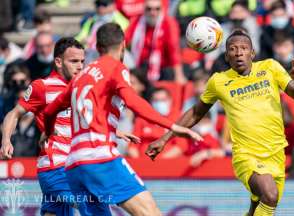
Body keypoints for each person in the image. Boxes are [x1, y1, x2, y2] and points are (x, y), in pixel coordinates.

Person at [41, 23, 202, 216]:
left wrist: (48, 132)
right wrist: (173, 126)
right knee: (150, 213)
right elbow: (134, 102)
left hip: (74, 166)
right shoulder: (116, 68)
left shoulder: (79, 77)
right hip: (100, 157)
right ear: (123, 45)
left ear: (98, 48)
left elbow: (50, 111)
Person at [146, 29, 294, 216]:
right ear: (226, 55)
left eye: (243, 48)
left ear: (252, 53)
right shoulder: (219, 81)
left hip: (276, 153)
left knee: (260, 207)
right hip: (246, 155)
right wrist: (165, 138)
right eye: (233, 49)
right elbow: (195, 113)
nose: (239, 52)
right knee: (270, 196)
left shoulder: (270, 68)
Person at [0, 37, 86, 216]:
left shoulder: (80, 89)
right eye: (74, 61)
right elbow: (14, 113)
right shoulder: (42, 87)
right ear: (58, 62)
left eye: (82, 61)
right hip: (55, 166)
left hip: (73, 166)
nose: (80, 66)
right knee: (92, 206)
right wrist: (6, 140)